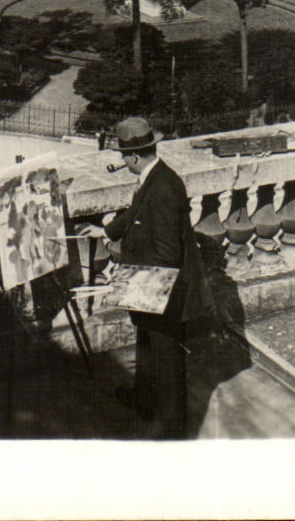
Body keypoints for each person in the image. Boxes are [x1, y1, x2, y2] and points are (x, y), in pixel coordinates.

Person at [79, 116, 210, 439]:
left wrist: (130, 275)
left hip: (165, 289)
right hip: (152, 286)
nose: (123, 163)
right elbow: (135, 213)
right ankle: (144, 399)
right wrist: (106, 230)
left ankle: (173, 431)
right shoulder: (154, 177)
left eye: (124, 157)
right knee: (147, 345)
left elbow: (167, 254)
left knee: (167, 359)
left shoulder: (163, 188)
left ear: (134, 156)